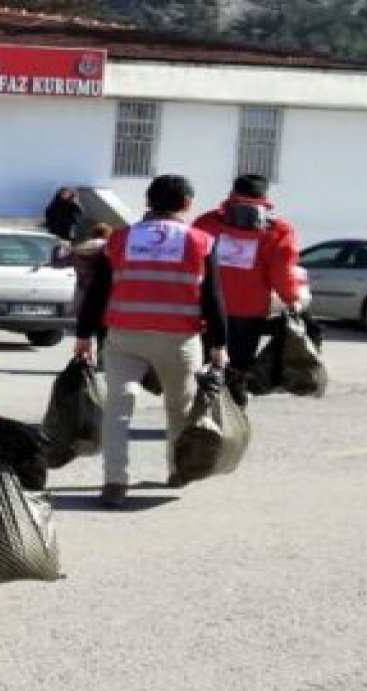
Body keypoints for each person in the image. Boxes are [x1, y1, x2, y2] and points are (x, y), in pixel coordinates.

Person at [74, 175, 228, 509]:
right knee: (179, 407)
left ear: (148, 202)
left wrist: (84, 336)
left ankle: (114, 482)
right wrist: (219, 344)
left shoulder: (120, 240)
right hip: (180, 339)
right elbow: (213, 296)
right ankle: (176, 470)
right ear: (187, 204)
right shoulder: (201, 241)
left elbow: (98, 291)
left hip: (125, 337)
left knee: (118, 408)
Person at [192, 174, 303, 406]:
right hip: (249, 311)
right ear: (265, 198)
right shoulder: (278, 231)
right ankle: (233, 412)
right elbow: (282, 272)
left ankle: (203, 412)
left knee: (207, 361)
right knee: (239, 365)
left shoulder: (207, 223)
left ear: (232, 194)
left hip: (207, 308)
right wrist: (292, 299)